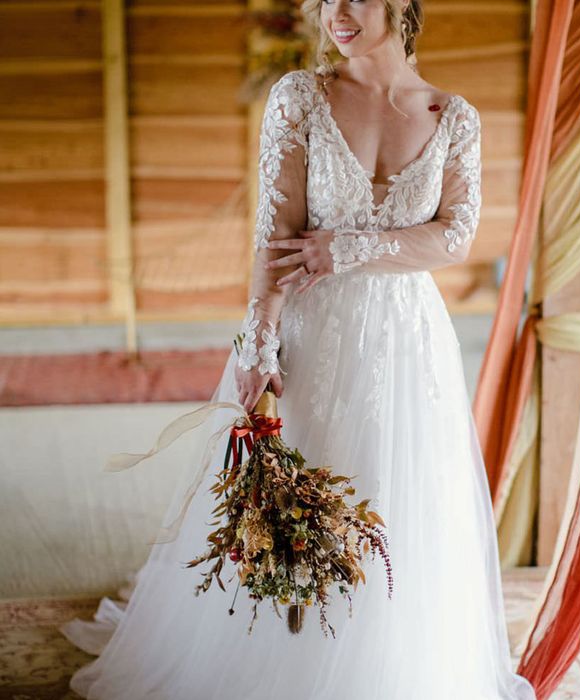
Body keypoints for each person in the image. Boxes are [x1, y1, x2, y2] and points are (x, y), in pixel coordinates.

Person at [59, 0, 537, 698]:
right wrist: (258, 340)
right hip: (313, 333)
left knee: (398, 494)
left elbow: (454, 237)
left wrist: (344, 247)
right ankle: (287, 658)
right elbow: (275, 231)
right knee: (297, 495)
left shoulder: (453, 116)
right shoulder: (301, 99)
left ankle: (390, 663)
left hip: (409, 340)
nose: (335, 11)